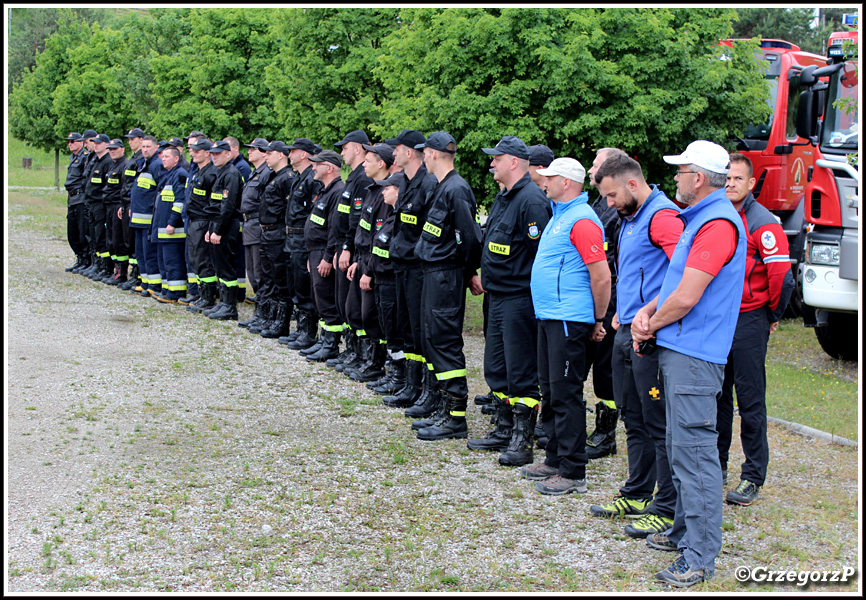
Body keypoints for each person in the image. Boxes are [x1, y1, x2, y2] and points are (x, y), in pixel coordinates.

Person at [631, 140, 746, 587]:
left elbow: (688, 295)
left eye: (680, 171)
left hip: (695, 356)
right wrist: (650, 311)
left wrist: (649, 324)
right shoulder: (700, 219)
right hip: (682, 349)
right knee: (681, 448)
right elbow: (677, 283)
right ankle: (683, 532)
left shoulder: (717, 223)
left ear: (698, 177)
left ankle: (698, 557)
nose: (675, 177)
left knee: (695, 456)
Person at [589, 152, 683, 540]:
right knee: (634, 416)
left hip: (652, 334)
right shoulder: (630, 218)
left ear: (632, 184)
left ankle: (666, 506)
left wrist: (650, 315)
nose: (608, 204)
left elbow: (683, 273)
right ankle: (638, 491)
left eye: (611, 196)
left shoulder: (661, 216)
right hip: (627, 327)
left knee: (657, 423)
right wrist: (621, 313)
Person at [522, 157, 611, 495]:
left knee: (566, 391)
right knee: (550, 388)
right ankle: (555, 457)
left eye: (550, 177)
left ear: (568, 183)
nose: (544, 182)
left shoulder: (582, 220)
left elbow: (601, 276)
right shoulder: (560, 216)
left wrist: (598, 319)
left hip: (568, 317)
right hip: (550, 315)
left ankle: (573, 471)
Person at [467, 136, 551, 468]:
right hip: (497, 296)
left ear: (514, 162)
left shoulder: (531, 201)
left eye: (497, 159)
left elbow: (539, 256)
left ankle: (522, 438)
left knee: (521, 369)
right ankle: (503, 427)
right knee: (496, 366)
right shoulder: (504, 197)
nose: (491, 164)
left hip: (520, 298)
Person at [718, 153, 794, 506]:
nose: (731, 183)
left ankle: (752, 476)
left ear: (751, 184)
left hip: (749, 320)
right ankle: (715, 465)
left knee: (749, 400)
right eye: (727, 178)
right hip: (718, 320)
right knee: (716, 397)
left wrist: (771, 314)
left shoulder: (764, 222)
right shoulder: (717, 215)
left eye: (738, 179)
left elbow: (781, 275)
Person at [411, 131, 483, 441]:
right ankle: (443, 406)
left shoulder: (457, 189)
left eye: (425, 152)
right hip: (433, 273)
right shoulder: (442, 188)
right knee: (432, 338)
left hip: (446, 275)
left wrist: (466, 274)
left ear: (436, 154)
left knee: (444, 340)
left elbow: (469, 238)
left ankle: (455, 416)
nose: (423, 157)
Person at [380, 130, 439, 410]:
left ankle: (427, 391)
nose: (393, 153)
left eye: (397, 148)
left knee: (419, 330)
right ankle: (411, 386)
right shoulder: (404, 181)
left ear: (410, 152)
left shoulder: (428, 183)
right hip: (400, 265)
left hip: (418, 268)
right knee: (405, 329)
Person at [583, 147, 628, 460]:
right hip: (594, 295)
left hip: (612, 296)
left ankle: (606, 431)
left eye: (595, 164)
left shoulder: (616, 207)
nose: (589, 169)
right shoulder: (598, 204)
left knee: (606, 368)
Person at [343, 143, 393, 382]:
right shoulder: (373, 190)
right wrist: (356, 260)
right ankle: (363, 357)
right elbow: (363, 230)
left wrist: (369, 269)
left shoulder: (387, 194)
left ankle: (376, 364)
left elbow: (380, 238)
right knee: (356, 312)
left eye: (368, 160)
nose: (364, 163)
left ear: (381, 163)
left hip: (373, 265)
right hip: (362, 260)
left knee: (373, 317)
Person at [330, 130, 374, 370]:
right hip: (344, 246)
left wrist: (347, 247)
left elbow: (358, 220)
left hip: (354, 249)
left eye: (345, 147)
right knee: (344, 303)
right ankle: (352, 350)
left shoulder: (363, 178)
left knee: (354, 305)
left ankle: (361, 354)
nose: (341, 152)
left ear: (358, 148)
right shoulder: (354, 177)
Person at [303, 149, 347, 361]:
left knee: (327, 299)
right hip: (315, 251)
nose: (313, 167)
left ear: (329, 168)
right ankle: (324, 340)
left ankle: (331, 345)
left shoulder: (338, 191)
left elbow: (334, 230)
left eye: (317, 164)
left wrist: (327, 257)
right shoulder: (325, 190)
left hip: (323, 252)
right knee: (318, 297)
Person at [250, 140, 295, 336]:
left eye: (269, 153)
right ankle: (267, 316)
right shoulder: (272, 176)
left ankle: (280, 323)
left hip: (277, 232)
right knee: (267, 277)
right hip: (266, 231)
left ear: (280, 155)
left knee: (279, 278)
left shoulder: (288, 178)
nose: (265, 156)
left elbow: (288, 209)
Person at [284, 138, 324, 350]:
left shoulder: (312, 178)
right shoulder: (300, 177)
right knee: (295, 285)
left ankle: (309, 332)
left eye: (294, 151)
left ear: (304, 154)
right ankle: (301, 329)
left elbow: (313, 214)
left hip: (302, 239)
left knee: (303, 286)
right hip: (292, 239)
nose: (289, 155)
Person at [203, 140, 244, 320]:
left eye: (218, 153)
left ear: (228, 154)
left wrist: (218, 230)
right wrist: (211, 228)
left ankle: (229, 306)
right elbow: (215, 205)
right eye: (212, 154)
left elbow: (227, 207)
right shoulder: (220, 173)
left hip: (227, 225)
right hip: (217, 224)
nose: (214, 157)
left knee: (226, 266)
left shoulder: (231, 174)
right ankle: (223, 302)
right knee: (218, 265)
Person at [185, 138, 220, 314]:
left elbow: (214, 203)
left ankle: (208, 297)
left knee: (204, 260)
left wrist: (211, 226)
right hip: (194, 221)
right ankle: (201, 294)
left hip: (203, 221)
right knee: (196, 259)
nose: (193, 153)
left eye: (197, 151)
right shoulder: (198, 172)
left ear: (207, 153)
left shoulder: (212, 173)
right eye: (192, 150)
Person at [151, 145, 190, 303]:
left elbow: (180, 202)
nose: (163, 159)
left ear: (176, 158)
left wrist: (173, 222)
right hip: (163, 228)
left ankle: (176, 292)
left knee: (173, 261)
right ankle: (167, 288)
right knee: (164, 261)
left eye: (167, 156)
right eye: (162, 156)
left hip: (173, 230)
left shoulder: (180, 174)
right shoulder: (168, 174)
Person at [238, 137, 271, 312]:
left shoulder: (266, 173)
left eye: (254, 149)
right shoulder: (255, 172)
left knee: (259, 272)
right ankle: (260, 303)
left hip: (257, 225)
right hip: (249, 225)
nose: (249, 152)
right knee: (251, 270)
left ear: (264, 153)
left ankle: (264, 309)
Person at [129, 135, 163, 296]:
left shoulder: (156, 165)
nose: (145, 149)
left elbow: (159, 191)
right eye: (143, 146)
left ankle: (154, 286)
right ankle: (145, 281)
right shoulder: (143, 164)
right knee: (140, 253)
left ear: (156, 148)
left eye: (148, 146)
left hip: (148, 218)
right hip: (137, 217)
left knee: (149, 254)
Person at [82, 133, 116, 282]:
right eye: (94, 143)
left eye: (99, 143)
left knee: (102, 235)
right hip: (92, 203)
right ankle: (97, 262)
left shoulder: (108, 161)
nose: (95, 145)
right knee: (94, 235)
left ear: (106, 145)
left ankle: (106, 267)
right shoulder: (96, 160)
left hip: (101, 204)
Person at [102, 139, 133, 286]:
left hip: (117, 207)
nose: (112, 151)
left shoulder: (125, 165)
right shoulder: (112, 165)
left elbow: (124, 188)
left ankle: (122, 272)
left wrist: (122, 204)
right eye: (110, 149)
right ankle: (115, 270)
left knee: (118, 240)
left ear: (122, 149)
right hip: (109, 206)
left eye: (115, 149)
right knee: (110, 240)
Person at [63, 132, 92, 273]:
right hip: (72, 199)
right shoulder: (73, 157)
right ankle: (79, 257)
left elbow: (85, 178)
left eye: (73, 141)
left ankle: (85, 259)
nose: (70, 144)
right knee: (72, 232)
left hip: (80, 198)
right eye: (68, 141)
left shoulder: (84, 157)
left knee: (82, 231)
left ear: (80, 142)